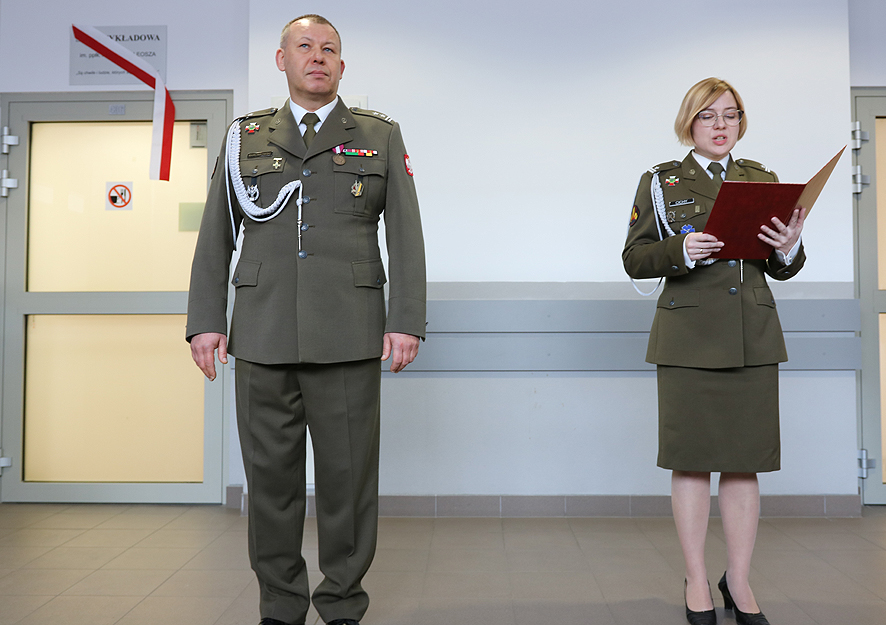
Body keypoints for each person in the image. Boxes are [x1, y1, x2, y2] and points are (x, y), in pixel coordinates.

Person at [186, 14, 426, 625]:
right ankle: (280, 603)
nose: (317, 57)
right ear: (282, 59)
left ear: (341, 66)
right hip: (262, 333)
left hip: (349, 334)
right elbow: (216, 234)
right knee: (270, 483)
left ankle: (342, 601)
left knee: (348, 482)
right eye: (304, 46)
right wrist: (206, 319)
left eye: (329, 49)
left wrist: (405, 320)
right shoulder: (244, 138)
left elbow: (406, 234)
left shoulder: (378, 135)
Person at [622, 77, 805, 625]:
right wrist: (681, 249)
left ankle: (739, 582)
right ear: (690, 123)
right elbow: (634, 259)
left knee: (745, 465)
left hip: (752, 334)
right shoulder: (661, 182)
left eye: (730, 114)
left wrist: (790, 247)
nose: (721, 125)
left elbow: (780, 266)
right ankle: (697, 580)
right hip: (688, 337)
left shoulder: (762, 179)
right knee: (692, 463)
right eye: (708, 115)